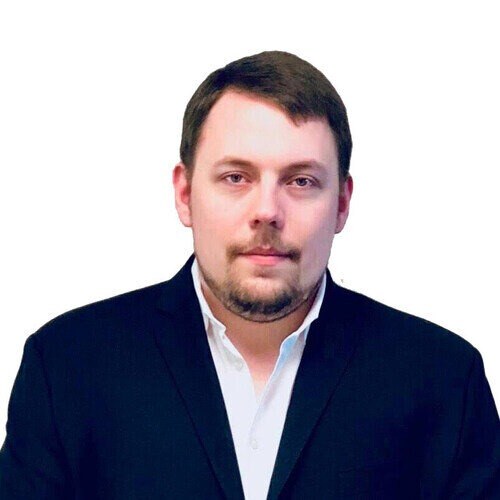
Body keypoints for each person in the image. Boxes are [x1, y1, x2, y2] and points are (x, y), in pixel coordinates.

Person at [0, 50, 498, 499]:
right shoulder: (67, 366)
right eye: (236, 177)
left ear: (342, 204)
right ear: (185, 194)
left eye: (301, 181)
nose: (266, 211)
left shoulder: (443, 379)